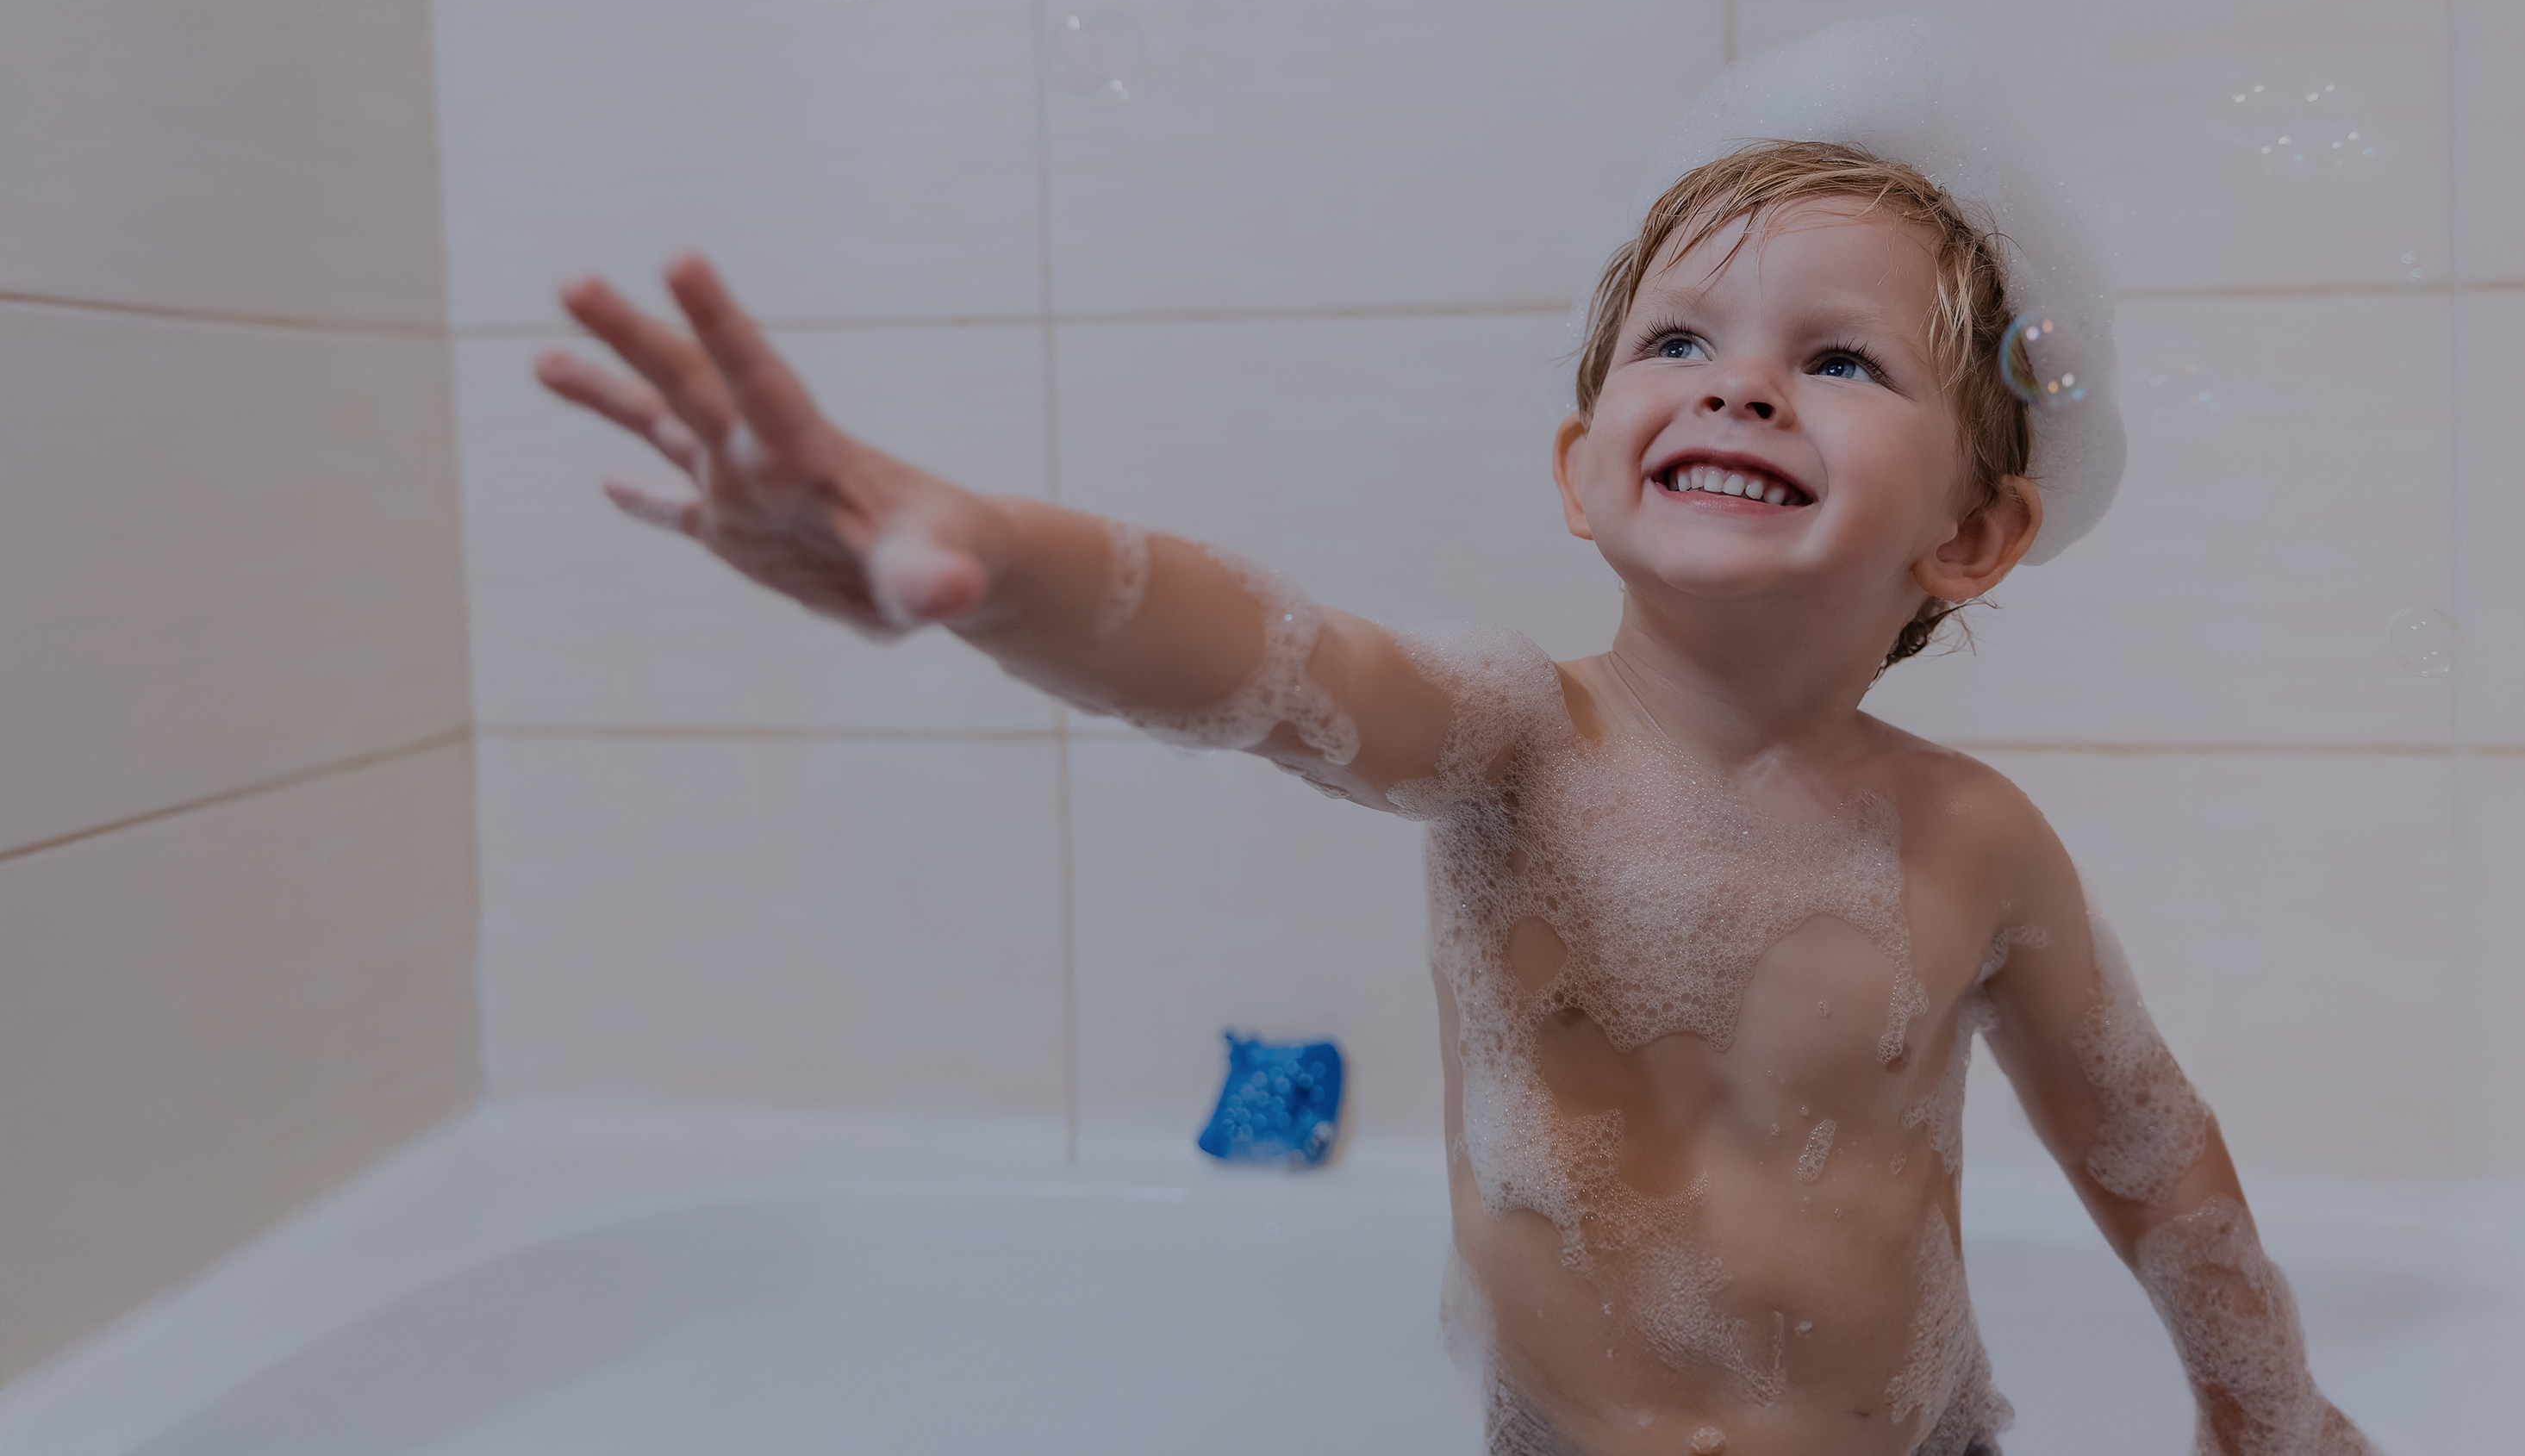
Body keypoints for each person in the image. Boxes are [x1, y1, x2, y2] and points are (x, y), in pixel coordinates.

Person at [535, 128, 2372, 1456]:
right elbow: (1262, 657)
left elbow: (2153, 1155)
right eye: (1680, 342)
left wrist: (2264, 1399)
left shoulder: (1974, 840)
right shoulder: (1511, 734)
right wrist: (986, 555)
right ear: (1581, 471)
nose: (1739, 389)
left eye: (1836, 358)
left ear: (1972, 533)